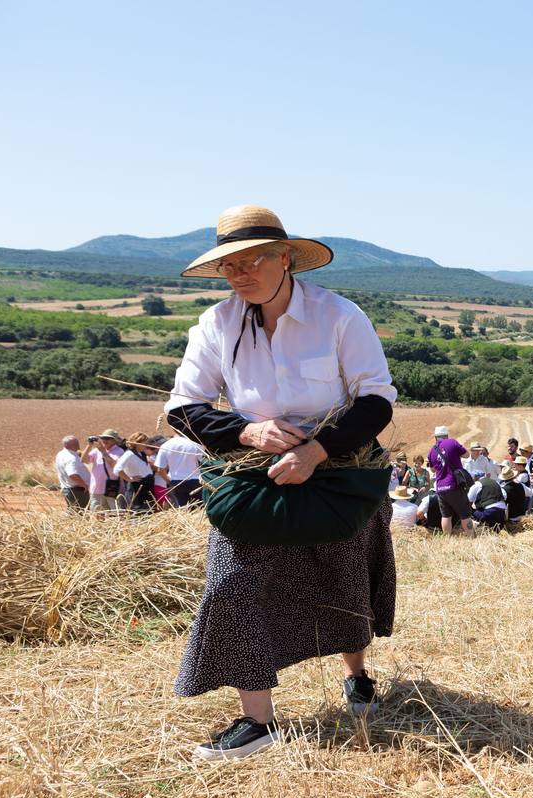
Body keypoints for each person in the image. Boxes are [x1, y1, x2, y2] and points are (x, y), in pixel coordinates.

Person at [165, 204, 397, 760]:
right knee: (233, 582)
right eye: (230, 266)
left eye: (252, 261)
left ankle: (357, 675)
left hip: (340, 468)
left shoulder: (340, 316)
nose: (240, 274)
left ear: (285, 257)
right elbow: (184, 408)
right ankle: (258, 720)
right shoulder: (216, 325)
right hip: (255, 475)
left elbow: (375, 400)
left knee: (345, 580)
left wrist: (317, 451)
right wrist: (247, 433)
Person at [428, 425, 476, 536]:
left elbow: (432, 469)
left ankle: (447, 539)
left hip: (440, 488)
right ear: (446, 435)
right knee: (465, 515)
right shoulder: (452, 442)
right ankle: (471, 537)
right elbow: (466, 454)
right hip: (454, 485)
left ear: (436, 437)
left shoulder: (432, 450)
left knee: (446, 516)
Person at [155, 428, 204, 507]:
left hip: (176, 481)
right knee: (200, 508)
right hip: (196, 480)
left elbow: (160, 469)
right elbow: (203, 463)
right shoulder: (195, 444)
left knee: (183, 509)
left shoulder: (166, 445)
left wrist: (169, 481)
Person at [84, 429, 125, 513]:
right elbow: (84, 460)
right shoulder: (96, 451)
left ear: (114, 440)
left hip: (112, 488)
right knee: (97, 514)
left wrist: (103, 451)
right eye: (103, 438)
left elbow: (115, 465)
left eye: (107, 438)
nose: (104, 440)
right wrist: (89, 446)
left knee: (116, 513)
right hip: (96, 489)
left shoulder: (119, 451)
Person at [116, 432, 157, 513]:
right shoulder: (129, 454)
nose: (146, 445)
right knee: (138, 512)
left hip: (146, 487)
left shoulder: (141, 453)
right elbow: (117, 469)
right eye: (144, 443)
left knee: (149, 511)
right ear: (137, 443)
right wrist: (129, 479)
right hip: (137, 488)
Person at [54, 434, 92, 511]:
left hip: (68, 489)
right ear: (74, 445)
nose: (78, 444)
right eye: (77, 443)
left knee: (73, 512)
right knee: (81, 513)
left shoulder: (61, 454)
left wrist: (89, 446)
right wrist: (84, 485)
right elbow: (72, 474)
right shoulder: (71, 458)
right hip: (77, 491)